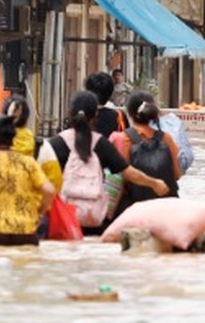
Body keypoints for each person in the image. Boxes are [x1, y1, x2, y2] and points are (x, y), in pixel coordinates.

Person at [45, 93, 147, 236]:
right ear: (95, 116)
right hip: (94, 218)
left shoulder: (55, 144)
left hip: (63, 219)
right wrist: (155, 183)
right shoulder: (101, 144)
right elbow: (128, 172)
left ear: (70, 113)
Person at [115, 93, 183, 216]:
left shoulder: (121, 139)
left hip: (133, 208)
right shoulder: (166, 139)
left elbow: (118, 179)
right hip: (165, 207)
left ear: (129, 113)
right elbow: (177, 174)